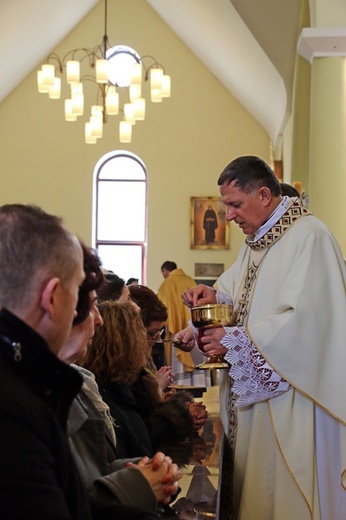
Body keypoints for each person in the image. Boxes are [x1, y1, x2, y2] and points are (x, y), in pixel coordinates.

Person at [179, 156, 346, 520]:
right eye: (225, 206)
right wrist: (213, 298)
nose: (229, 216)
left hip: (292, 404)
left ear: (265, 195)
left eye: (235, 205)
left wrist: (236, 341)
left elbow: (309, 325)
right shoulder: (258, 241)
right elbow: (238, 292)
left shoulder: (309, 237)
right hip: (255, 407)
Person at [59, 244, 182, 514]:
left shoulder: (77, 382)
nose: (100, 320)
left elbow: (94, 466)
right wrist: (140, 484)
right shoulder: (32, 393)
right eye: (91, 306)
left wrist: (148, 470)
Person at [80, 301, 207, 460]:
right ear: (123, 344)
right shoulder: (107, 397)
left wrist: (170, 408)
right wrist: (177, 415)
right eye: (142, 334)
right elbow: (137, 451)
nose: (151, 343)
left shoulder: (132, 382)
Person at [158, 261, 210, 387]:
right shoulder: (190, 280)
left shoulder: (167, 283)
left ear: (165, 271)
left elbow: (162, 311)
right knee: (197, 366)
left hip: (177, 331)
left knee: (179, 369)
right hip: (195, 328)